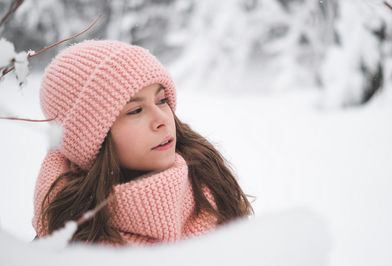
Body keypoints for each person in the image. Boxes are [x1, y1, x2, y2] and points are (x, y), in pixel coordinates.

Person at [32, 40, 253, 246]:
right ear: (89, 139)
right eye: (135, 110)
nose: (162, 120)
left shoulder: (210, 187)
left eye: (162, 100)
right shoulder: (65, 238)